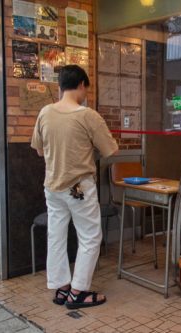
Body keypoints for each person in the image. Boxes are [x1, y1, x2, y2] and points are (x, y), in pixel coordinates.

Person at [31, 65, 118, 309]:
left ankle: (61, 289)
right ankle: (79, 291)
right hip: (78, 187)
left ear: (60, 86)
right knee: (90, 236)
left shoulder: (45, 112)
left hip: (52, 186)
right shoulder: (87, 115)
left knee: (56, 235)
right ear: (82, 85)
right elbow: (111, 150)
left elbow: (39, 150)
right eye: (86, 88)